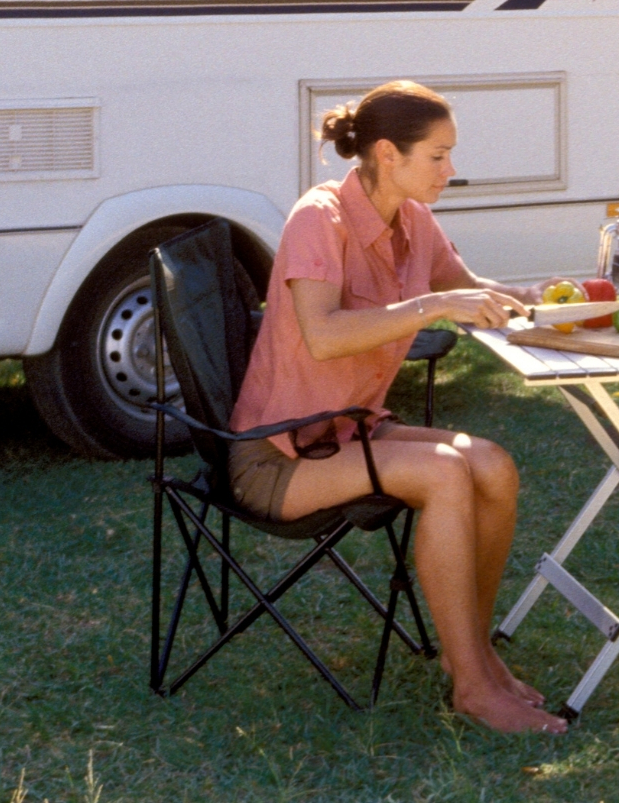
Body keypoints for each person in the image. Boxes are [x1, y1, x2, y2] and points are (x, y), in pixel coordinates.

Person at [229, 80, 566, 735]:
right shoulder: (317, 219)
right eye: (437, 156)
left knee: (492, 465)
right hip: (276, 454)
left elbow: (469, 292)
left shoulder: (413, 220)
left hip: (347, 435)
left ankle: (472, 650)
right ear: (388, 153)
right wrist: (433, 306)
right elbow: (324, 334)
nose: (451, 169)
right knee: (444, 473)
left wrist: (543, 299)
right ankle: (472, 686)